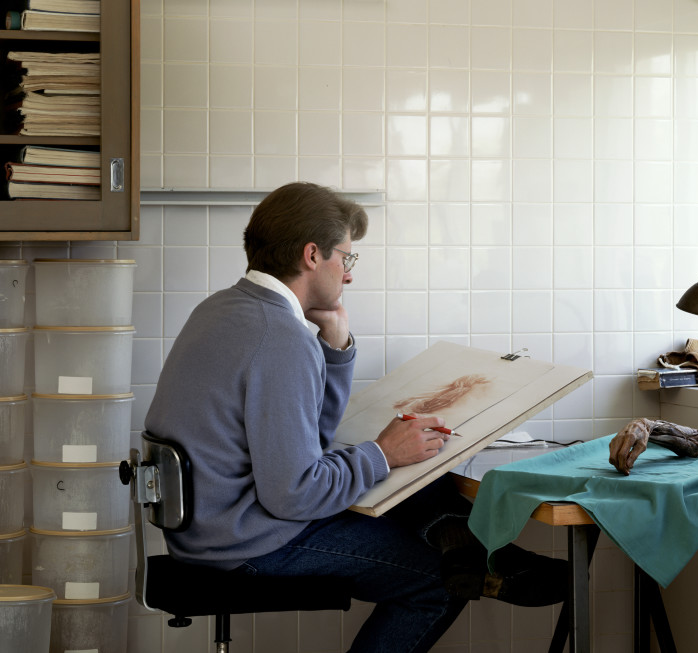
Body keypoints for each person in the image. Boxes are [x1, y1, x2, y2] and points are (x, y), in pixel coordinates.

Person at [144, 182, 565, 653]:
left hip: (210, 529)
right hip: (246, 545)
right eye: (346, 258)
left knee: (410, 479)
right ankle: (485, 560)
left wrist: (336, 349)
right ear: (311, 255)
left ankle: (482, 553)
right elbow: (296, 493)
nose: (348, 275)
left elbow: (310, 439)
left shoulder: (222, 308)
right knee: (435, 581)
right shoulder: (279, 337)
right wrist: (383, 453)